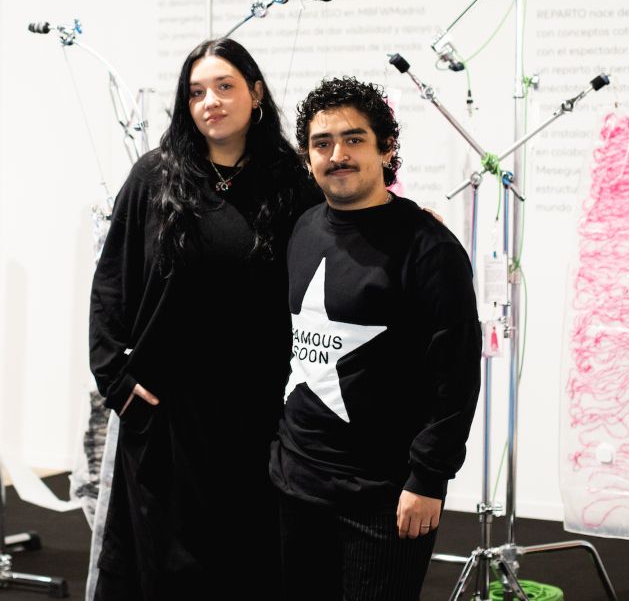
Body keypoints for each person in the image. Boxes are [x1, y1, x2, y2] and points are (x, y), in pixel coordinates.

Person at [88, 38, 318, 599]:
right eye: (196, 92)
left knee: (247, 562)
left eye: (224, 86)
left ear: (255, 93)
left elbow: (344, 234)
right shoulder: (156, 176)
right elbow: (110, 284)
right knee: (166, 570)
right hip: (166, 416)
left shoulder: (291, 182)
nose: (209, 101)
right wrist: (114, 378)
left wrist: (410, 220)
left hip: (255, 413)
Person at [270, 77, 482, 601]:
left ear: (386, 149)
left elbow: (456, 376)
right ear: (308, 158)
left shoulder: (430, 248)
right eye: (322, 144)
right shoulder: (303, 228)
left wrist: (428, 479)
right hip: (296, 482)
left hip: (383, 496)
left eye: (354, 139)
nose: (337, 155)